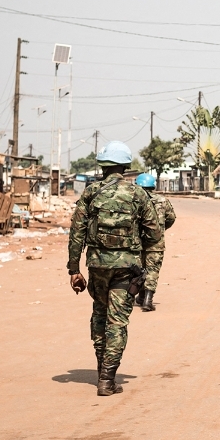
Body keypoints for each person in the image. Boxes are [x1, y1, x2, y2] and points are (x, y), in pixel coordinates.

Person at [67, 141, 163, 396]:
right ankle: (107, 380)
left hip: (97, 266)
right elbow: (154, 233)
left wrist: (73, 269)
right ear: (125, 166)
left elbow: (76, 231)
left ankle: (101, 371)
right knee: (117, 322)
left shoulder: (90, 193)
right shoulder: (137, 194)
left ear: (102, 166)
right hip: (125, 268)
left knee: (100, 315)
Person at [134, 172, 177, 312]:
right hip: (156, 243)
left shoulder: (133, 200)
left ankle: (139, 297)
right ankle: (147, 300)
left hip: (136, 242)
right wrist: (160, 229)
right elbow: (171, 218)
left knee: (138, 270)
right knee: (152, 270)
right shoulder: (162, 201)